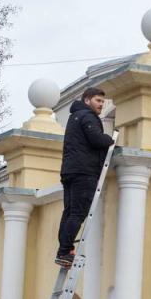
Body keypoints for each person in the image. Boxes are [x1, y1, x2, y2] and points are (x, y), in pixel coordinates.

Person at [56, 87, 114, 267]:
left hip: (69, 171)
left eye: (103, 102)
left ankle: (63, 251)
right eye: (98, 101)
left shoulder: (74, 117)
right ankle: (65, 251)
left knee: (69, 212)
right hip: (84, 171)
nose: (101, 105)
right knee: (78, 213)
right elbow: (96, 139)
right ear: (87, 100)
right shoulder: (87, 116)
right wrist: (111, 140)